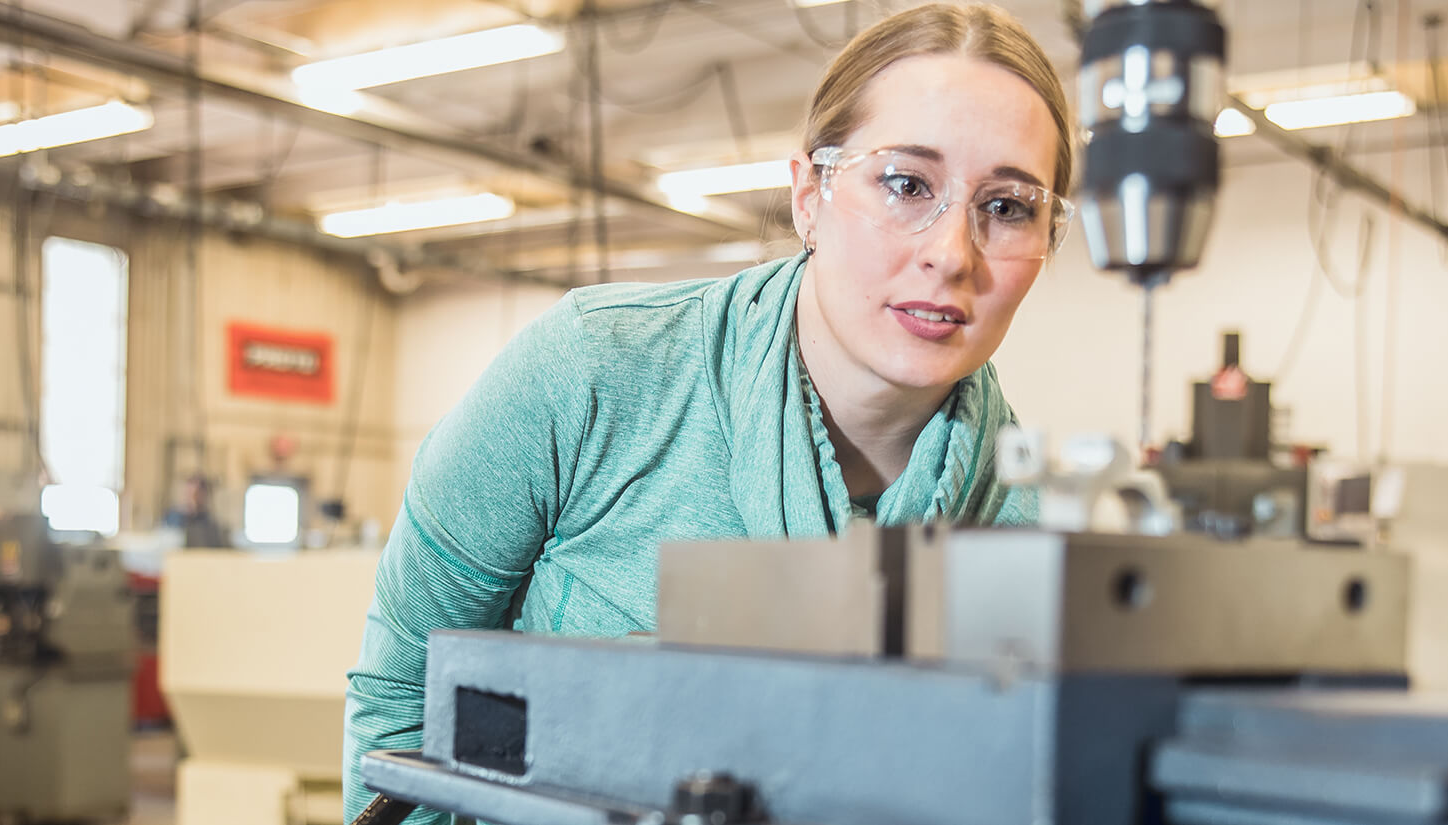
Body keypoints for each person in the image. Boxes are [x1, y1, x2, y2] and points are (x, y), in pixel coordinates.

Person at [343, 4, 1074, 819]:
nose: (952, 253)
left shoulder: (1029, 528)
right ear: (809, 195)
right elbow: (402, 689)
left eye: (1007, 207)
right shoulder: (594, 370)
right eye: (906, 184)